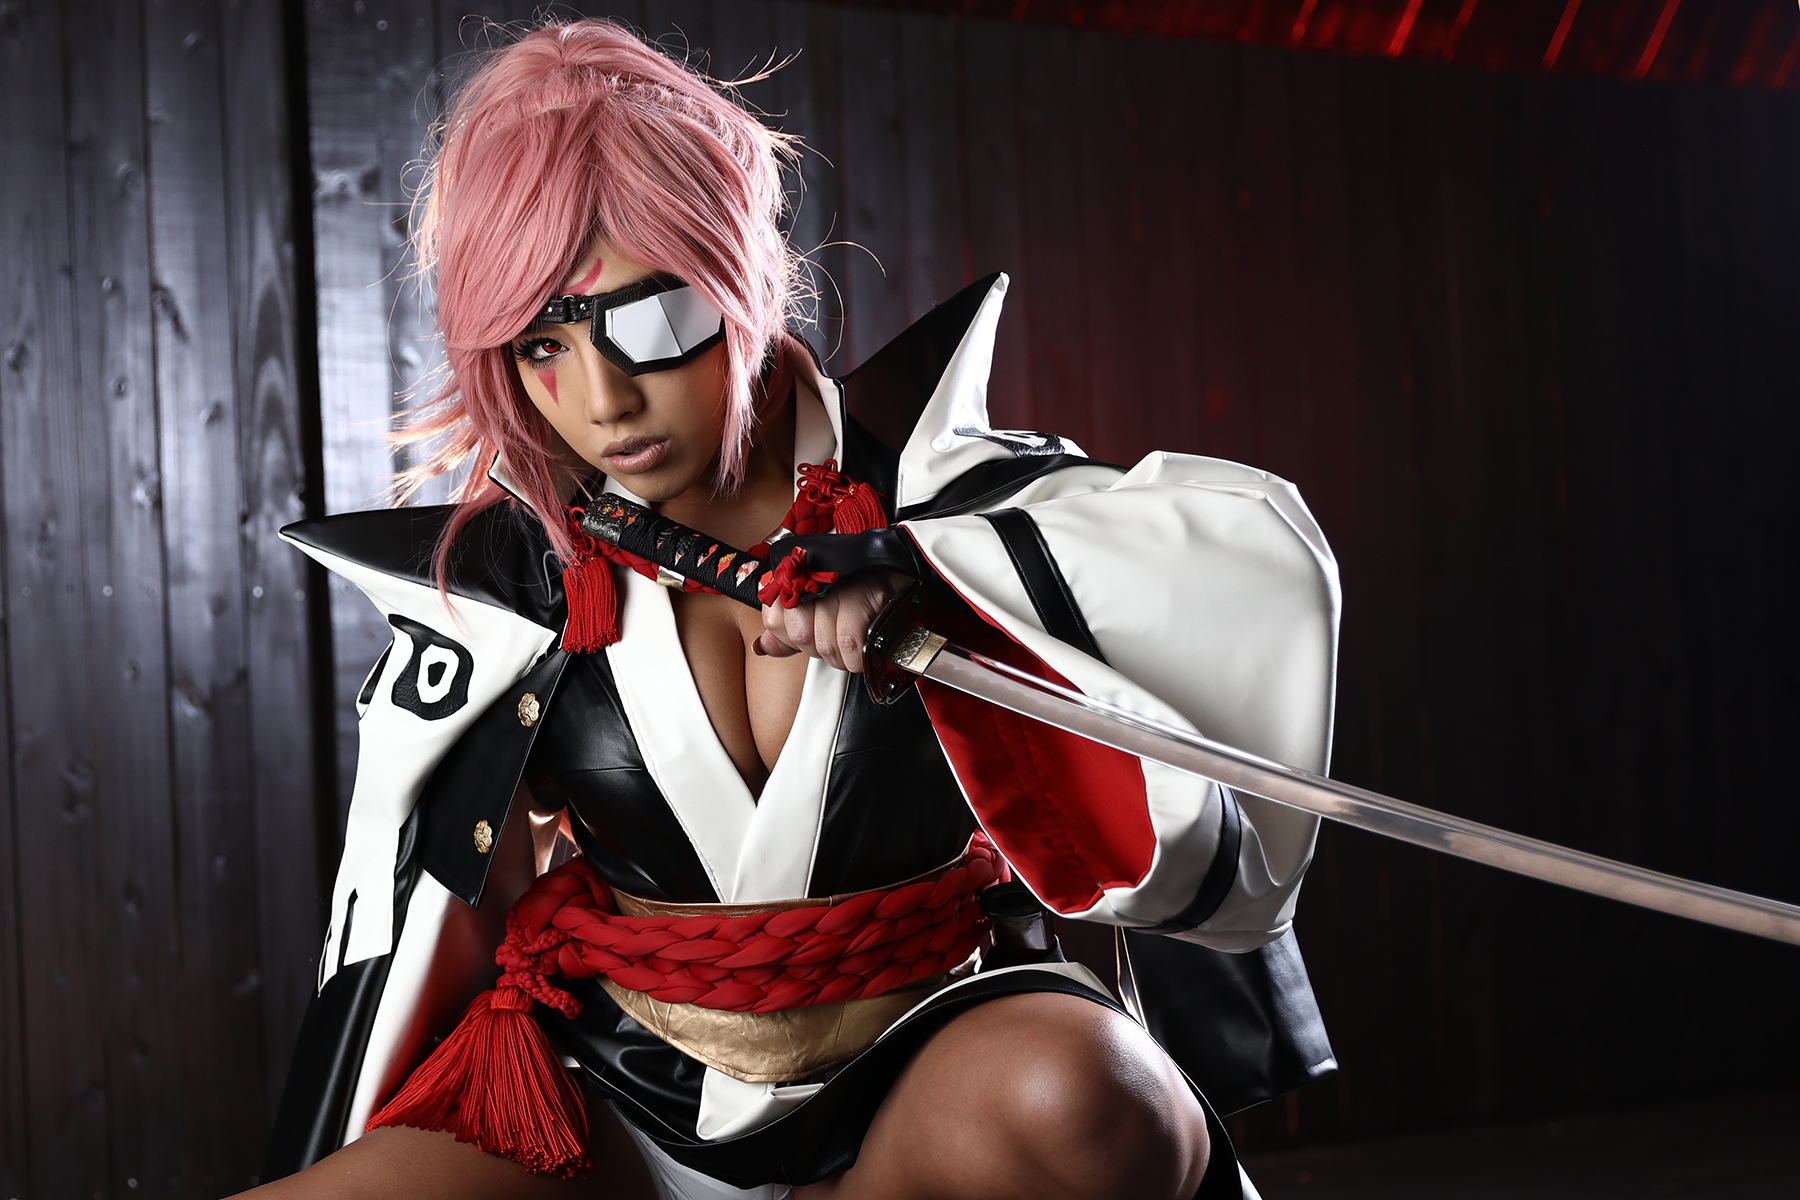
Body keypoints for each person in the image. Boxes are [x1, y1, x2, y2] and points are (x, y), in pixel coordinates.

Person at [247, 18, 1340, 1200]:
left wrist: (943, 576)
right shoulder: (513, 584)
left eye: (649, 321)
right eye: (543, 345)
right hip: (626, 1086)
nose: (604, 402)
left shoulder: (938, 489)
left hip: (929, 1060)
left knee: (1087, 1103)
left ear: (739, 275)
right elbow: (432, 926)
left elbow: (1245, 561)